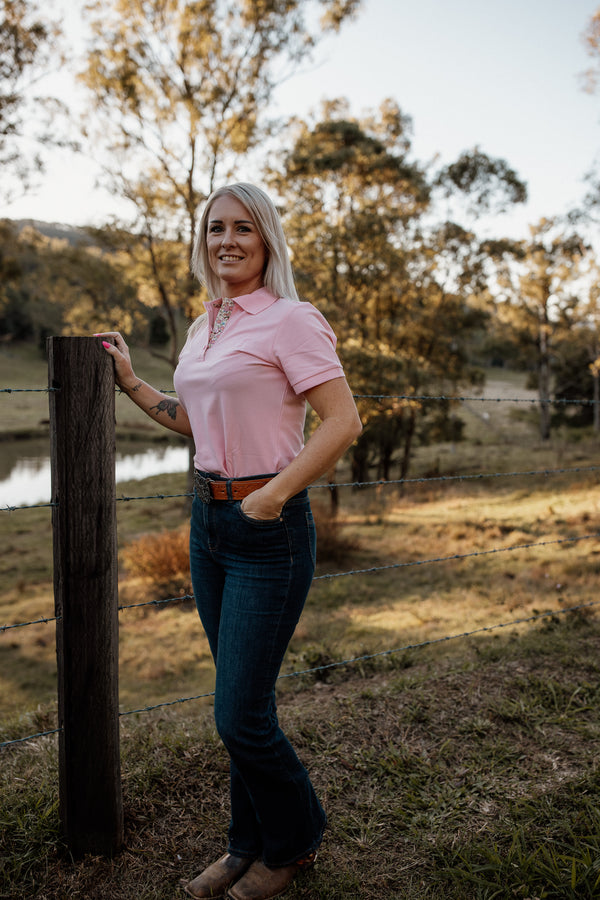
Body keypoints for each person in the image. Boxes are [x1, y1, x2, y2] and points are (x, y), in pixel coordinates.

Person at [97, 182, 362, 900]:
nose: (228, 241)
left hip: (266, 529)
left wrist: (272, 497)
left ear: (267, 239)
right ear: (202, 239)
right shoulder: (203, 325)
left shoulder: (291, 321)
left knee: (238, 715)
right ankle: (246, 844)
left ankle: (296, 842)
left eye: (244, 228)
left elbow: (342, 422)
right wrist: (129, 382)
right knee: (245, 706)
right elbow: (195, 420)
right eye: (216, 228)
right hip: (208, 524)